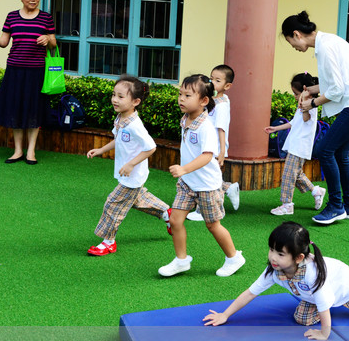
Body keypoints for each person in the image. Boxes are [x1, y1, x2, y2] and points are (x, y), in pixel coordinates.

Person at [202, 221, 349, 340]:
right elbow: (249, 293)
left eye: (280, 253)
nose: (273, 257)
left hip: (347, 289)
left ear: (299, 257)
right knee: (302, 320)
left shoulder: (314, 276)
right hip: (313, 297)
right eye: (272, 250)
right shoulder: (275, 270)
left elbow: (325, 309)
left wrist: (325, 334)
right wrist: (225, 315)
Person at [282, 11, 349, 225]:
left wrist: (312, 102)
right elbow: (335, 83)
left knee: (325, 150)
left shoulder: (325, 48)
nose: (295, 48)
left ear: (297, 34)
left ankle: (336, 206)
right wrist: (311, 90)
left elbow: (336, 89)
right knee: (340, 154)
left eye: (292, 43)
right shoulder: (327, 41)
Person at [159, 74, 245, 277]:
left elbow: (208, 156)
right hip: (188, 183)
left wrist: (183, 169)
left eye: (187, 95)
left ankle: (234, 257)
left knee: (213, 225)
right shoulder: (186, 119)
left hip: (207, 185)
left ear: (204, 101)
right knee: (175, 220)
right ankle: (181, 261)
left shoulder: (206, 126)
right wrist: (185, 174)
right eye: (180, 93)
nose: (181, 99)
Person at [85, 75, 172, 256]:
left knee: (113, 204)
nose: (115, 100)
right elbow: (118, 139)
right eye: (114, 95)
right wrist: (101, 150)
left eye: (121, 96)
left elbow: (151, 147)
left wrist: (131, 164)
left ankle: (108, 242)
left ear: (136, 101)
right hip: (128, 174)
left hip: (132, 175)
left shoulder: (135, 126)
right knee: (138, 200)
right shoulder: (121, 118)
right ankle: (167, 213)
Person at [0, 0, 57, 165]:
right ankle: (18, 150)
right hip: (15, 69)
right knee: (16, 108)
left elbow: (54, 43)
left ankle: (31, 151)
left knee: (34, 109)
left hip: (36, 71)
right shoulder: (11, 17)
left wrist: (47, 39)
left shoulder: (46, 17)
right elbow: (3, 42)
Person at [264, 73, 327, 215]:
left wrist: (303, 102)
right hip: (295, 146)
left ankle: (287, 204)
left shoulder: (311, 106)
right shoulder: (302, 106)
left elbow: (306, 119)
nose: (294, 96)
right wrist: (276, 128)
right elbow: (294, 123)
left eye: (296, 93)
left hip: (300, 147)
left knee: (288, 175)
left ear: (306, 91)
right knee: (296, 174)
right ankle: (316, 191)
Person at [187, 65, 240, 221]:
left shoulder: (221, 105)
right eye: (211, 79)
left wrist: (222, 151)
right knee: (206, 175)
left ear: (227, 86)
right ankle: (229, 188)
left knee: (207, 177)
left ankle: (204, 210)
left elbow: (221, 128)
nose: (212, 82)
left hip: (214, 147)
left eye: (217, 80)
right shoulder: (211, 100)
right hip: (205, 145)